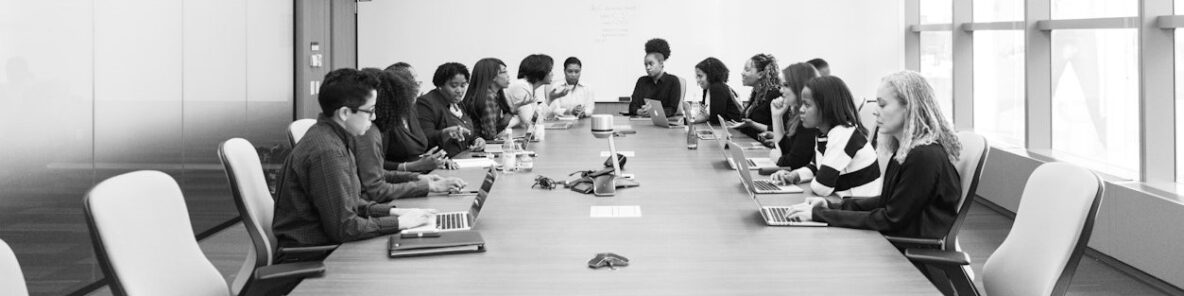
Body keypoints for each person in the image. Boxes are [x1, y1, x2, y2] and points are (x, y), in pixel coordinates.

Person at [784, 70, 961, 240]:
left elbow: (890, 219)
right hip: (893, 242)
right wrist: (831, 206)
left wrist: (822, 216)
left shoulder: (923, 157)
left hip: (904, 255)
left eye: (882, 105)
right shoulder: (908, 151)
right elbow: (887, 203)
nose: (876, 111)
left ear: (909, 107)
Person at [272, 68, 436, 248]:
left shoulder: (335, 137)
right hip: (315, 254)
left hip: (329, 244)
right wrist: (399, 223)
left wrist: (395, 212)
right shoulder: (328, 152)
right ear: (344, 113)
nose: (374, 117)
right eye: (370, 110)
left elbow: (353, 204)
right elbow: (346, 228)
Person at [356, 68, 467, 202]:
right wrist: (427, 184)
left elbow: (379, 173)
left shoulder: (409, 114)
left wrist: (420, 176)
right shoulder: (370, 131)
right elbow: (376, 187)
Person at [769, 75, 881, 198]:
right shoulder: (824, 133)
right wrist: (794, 176)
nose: (801, 110)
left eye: (807, 105)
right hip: (842, 203)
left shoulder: (842, 134)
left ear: (826, 107)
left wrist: (816, 179)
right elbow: (814, 167)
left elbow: (822, 187)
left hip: (857, 209)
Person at [378, 63, 454, 171]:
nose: (418, 88)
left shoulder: (410, 111)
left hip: (420, 174)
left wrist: (437, 160)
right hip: (399, 181)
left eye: (418, 83)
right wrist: (412, 166)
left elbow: (419, 154)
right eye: (414, 83)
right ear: (399, 88)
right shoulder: (384, 119)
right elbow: (376, 165)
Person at [416, 62, 482, 157]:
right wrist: (445, 133)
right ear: (440, 85)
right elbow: (426, 137)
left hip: (463, 157)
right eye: (454, 86)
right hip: (442, 162)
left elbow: (466, 129)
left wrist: (477, 139)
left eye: (463, 85)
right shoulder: (426, 103)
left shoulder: (458, 103)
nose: (459, 91)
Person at [769, 62, 820, 169]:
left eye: (786, 85)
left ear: (800, 86)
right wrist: (776, 117)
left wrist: (778, 159)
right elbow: (784, 149)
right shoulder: (797, 115)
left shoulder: (810, 118)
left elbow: (795, 162)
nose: (781, 90)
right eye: (781, 85)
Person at [727, 54, 781, 143]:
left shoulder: (774, 94)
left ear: (760, 74)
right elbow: (748, 119)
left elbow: (779, 129)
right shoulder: (757, 93)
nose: (742, 73)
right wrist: (739, 105)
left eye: (747, 70)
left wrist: (752, 124)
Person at [625, 38, 681, 116]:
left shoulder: (673, 81)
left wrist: (654, 112)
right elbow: (633, 106)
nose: (648, 67)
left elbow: (672, 109)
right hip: (642, 122)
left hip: (664, 123)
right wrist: (639, 111)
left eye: (651, 64)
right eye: (646, 65)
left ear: (661, 63)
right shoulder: (642, 81)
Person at [462, 58, 514, 140]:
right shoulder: (488, 96)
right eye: (503, 72)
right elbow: (490, 135)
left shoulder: (494, 95)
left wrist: (512, 111)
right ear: (492, 76)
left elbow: (496, 128)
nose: (508, 75)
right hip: (476, 147)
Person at [505, 54, 554, 127]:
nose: (552, 74)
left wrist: (550, 99)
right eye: (550, 70)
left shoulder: (531, 88)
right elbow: (530, 122)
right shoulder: (521, 86)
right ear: (540, 71)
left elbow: (538, 117)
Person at [691, 57, 742, 124]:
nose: (697, 80)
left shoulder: (717, 88)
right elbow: (704, 115)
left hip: (734, 131)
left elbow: (716, 120)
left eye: (700, 76)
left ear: (710, 75)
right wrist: (690, 120)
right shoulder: (707, 89)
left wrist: (704, 118)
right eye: (696, 77)